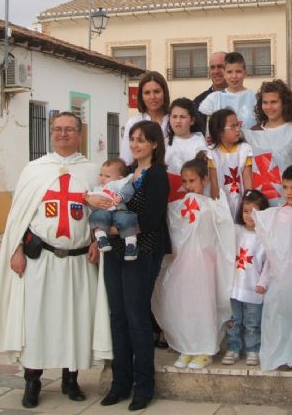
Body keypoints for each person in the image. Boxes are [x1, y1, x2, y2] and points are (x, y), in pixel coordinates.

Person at [0, 112, 111, 409]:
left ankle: (71, 379)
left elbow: (103, 211)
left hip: (79, 261)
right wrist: (16, 250)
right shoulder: (34, 170)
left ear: (80, 134)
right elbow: (20, 215)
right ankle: (33, 380)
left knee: (76, 319)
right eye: (57, 129)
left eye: (70, 129)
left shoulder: (92, 171)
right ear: (50, 132)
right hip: (41, 259)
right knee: (37, 321)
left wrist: (96, 240)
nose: (63, 134)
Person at [101, 121, 170, 411]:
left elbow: (153, 219)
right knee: (117, 315)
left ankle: (144, 387)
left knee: (136, 316)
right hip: (115, 252)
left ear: (154, 144)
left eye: (142, 139)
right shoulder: (127, 174)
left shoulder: (157, 175)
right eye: (132, 139)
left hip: (143, 251)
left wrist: (117, 230)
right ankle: (120, 384)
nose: (136, 144)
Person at [152, 157, 235, 371]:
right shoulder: (176, 207)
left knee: (204, 306)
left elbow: (223, 233)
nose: (188, 186)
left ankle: (205, 348)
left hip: (204, 265)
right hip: (182, 264)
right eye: (185, 181)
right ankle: (187, 346)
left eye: (193, 181)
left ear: (204, 180)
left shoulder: (211, 206)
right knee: (183, 305)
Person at [253, 165, 292, 370]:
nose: (288, 192)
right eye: (285, 187)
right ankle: (280, 354)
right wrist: (264, 279)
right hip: (279, 276)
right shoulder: (275, 214)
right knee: (278, 316)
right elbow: (270, 251)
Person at [244, 80, 292, 206]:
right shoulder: (252, 133)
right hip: (262, 205)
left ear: (284, 103)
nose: (269, 107)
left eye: (274, 102)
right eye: (265, 102)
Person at [222, 189, 271, 367]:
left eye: (254, 212)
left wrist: (263, 282)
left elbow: (269, 262)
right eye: (246, 211)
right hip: (234, 286)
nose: (249, 216)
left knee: (252, 323)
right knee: (234, 321)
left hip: (254, 288)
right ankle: (233, 348)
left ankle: (253, 349)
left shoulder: (265, 236)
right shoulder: (235, 231)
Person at [208, 108, 253, 219]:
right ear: (220, 131)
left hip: (241, 203)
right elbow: (214, 184)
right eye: (233, 126)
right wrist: (217, 208)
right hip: (222, 206)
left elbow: (247, 179)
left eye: (238, 125)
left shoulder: (244, 149)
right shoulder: (211, 153)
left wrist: (248, 205)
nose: (238, 129)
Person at [89, 158, 138, 259]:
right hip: (104, 212)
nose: (102, 179)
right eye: (101, 175)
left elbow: (129, 190)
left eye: (107, 176)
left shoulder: (120, 184)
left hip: (118, 210)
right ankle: (102, 239)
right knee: (95, 216)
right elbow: (90, 198)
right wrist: (89, 198)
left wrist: (120, 196)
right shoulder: (98, 188)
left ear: (119, 178)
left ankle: (131, 245)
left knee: (128, 218)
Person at [198, 52, 258, 131]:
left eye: (238, 71)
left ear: (245, 73)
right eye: (229, 72)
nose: (234, 76)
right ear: (224, 74)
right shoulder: (214, 99)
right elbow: (208, 130)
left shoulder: (255, 98)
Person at [121, 71, 171, 165]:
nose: (152, 97)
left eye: (157, 91)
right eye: (147, 93)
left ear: (164, 93)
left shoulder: (174, 121)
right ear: (141, 96)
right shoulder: (133, 123)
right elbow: (126, 159)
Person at [164, 97, 207, 175]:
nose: (178, 121)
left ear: (192, 120)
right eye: (174, 116)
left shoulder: (199, 141)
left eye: (182, 117)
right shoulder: (165, 142)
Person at [193, 51, 228, 130]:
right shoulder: (198, 102)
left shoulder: (242, 99)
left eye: (220, 66)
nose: (216, 71)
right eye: (212, 67)